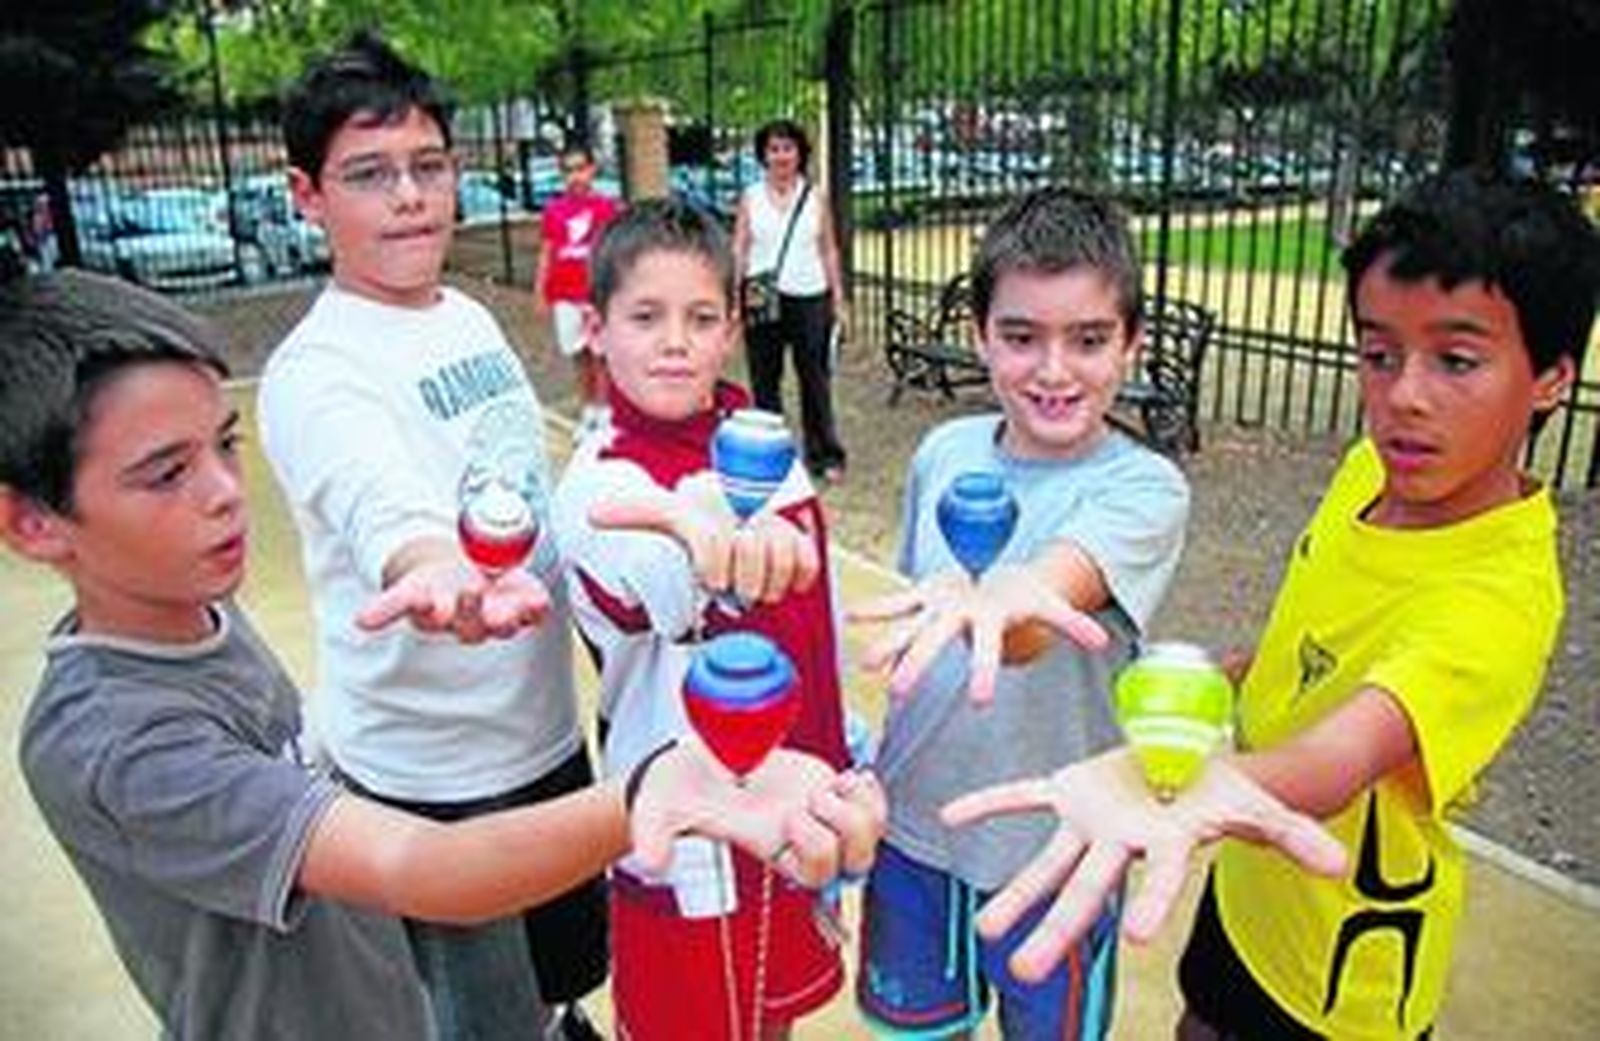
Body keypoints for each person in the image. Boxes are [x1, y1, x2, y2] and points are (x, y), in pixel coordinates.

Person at [0, 268, 887, 1041]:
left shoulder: (190, 619)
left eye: (224, 446)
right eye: (166, 473)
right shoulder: (116, 742)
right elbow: (422, 869)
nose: (227, 493)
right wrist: (663, 787)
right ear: (31, 522)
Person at [940, 171, 1600, 1041]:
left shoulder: (1496, 598)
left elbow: (1340, 757)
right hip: (1246, 886)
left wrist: (1165, 790)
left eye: (1457, 358)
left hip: (1339, 967)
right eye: (1379, 352)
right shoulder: (1375, 467)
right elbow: (1321, 634)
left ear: (1552, 377)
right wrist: (1233, 673)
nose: (1404, 393)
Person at [258, 33, 605, 1040]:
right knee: (478, 1021)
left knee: (563, 976)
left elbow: (516, 478)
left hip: (537, 731)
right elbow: (382, 503)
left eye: (428, 166)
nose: (408, 196)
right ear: (306, 195)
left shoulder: (462, 318)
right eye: (369, 175)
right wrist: (433, 569)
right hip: (433, 779)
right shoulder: (315, 371)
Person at [849, 186, 1191, 1040]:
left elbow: (1039, 614)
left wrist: (1005, 597)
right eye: (1020, 336)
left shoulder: (1144, 488)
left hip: (1054, 848)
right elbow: (921, 623)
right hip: (915, 828)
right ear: (978, 335)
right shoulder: (943, 453)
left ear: (1133, 343)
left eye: (1088, 339)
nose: (1053, 369)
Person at [552, 198, 857, 1041]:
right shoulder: (599, 486)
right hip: (688, 828)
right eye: (645, 316)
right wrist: (702, 544)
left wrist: (839, 739)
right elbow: (655, 568)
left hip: (792, 798)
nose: (675, 340)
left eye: (700, 316)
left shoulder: (756, 438)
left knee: (769, 1014)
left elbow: (811, 618)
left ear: (731, 329)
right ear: (595, 328)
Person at [732, 118, 849, 484]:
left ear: (800, 153)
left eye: (787, 148)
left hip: (809, 294)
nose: (781, 156)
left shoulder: (815, 196)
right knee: (765, 379)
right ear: (763, 156)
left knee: (815, 378)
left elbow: (828, 249)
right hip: (761, 292)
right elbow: (739, 249)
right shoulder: (750, 196)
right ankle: (772, 455)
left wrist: (839, 298)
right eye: (773, 149)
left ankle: (824, 454)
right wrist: (733, 300)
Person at [534, 142, 621, 437]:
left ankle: (605, 409)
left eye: (581, 168)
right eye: (569, 170)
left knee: (601, 355)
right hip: (564, 295)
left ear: (592, 170)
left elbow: (614, 250)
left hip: (594, 294)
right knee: (578, 354)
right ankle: (588, 410)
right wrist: (540, 290)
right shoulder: (554, 211)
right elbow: (547, 252)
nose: (576, 176)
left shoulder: (606, 208)